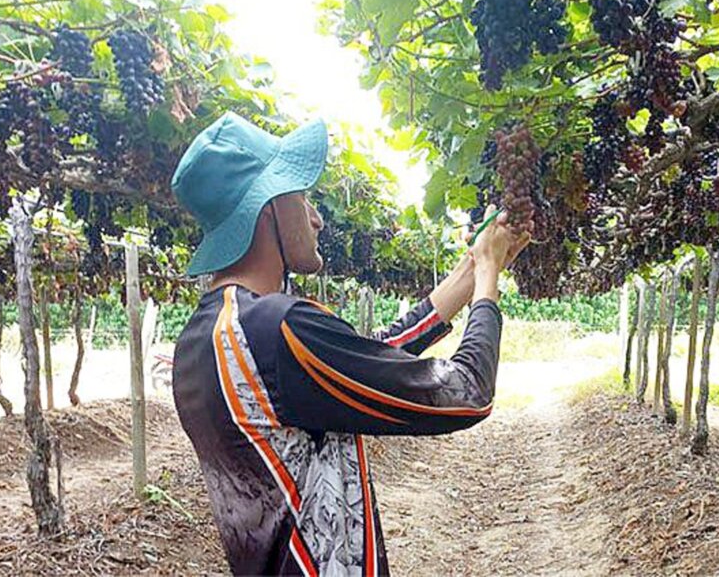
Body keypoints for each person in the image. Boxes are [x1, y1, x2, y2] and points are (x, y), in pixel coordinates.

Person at [169, 111, 529, 576]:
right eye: (301, 197)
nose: (316, 219)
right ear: (269, 208)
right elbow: (465, 393)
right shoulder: (280, 329)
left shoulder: (203, 338)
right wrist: (488, 284)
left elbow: (370, 353)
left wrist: (471, 269)